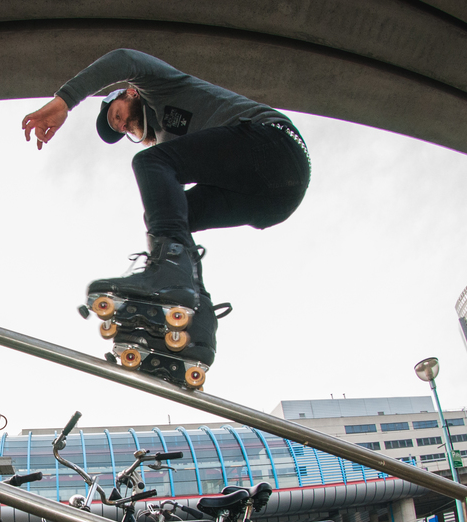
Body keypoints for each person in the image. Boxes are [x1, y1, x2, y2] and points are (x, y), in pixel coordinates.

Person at [21, 49, 311, 374]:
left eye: (117, 115)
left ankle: (168, 275)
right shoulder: (163, 140)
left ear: (129, 93)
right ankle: (196, 327)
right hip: (274, 199)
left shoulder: (158, 88)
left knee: (151, 163)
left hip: (275, 144)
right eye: (122, 131)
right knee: (174, 214)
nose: (123, 125)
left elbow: (124, 58)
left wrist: (64, 101)